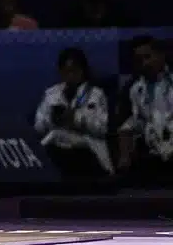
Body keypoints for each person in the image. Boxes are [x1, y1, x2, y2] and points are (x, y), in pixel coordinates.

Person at [33, 47, 112, 178]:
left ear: (83, 71)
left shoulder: (96, 94)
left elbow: (102, 128)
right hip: (59, 151)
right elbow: (38, 128)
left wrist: (76, 119)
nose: (70, 76)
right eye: (66, 71)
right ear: (60, 72)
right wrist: (52, 119)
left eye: (74, 71)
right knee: (54, 140)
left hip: (87, 150)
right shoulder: (51, 94)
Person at [117, 35, 173, 185]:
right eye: (139, 60)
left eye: (148, 57)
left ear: (161, 55)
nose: (145, 63)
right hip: (153, 150)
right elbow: (134, 123)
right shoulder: (134, 89)